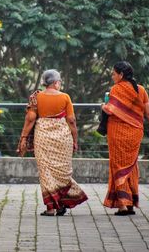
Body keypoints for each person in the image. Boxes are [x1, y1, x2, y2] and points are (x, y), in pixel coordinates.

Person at [17, 69, 88, 216]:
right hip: (63, 137)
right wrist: (75, 139)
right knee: (63, 171)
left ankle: (51, 208)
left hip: (42, 136)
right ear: (56, 83)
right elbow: (71, 121)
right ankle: (61, 203)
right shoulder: (65, 97)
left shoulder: (36, 97)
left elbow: (30, 118)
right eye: (60, 82)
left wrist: (23, 137)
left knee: (46, 172)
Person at [101, 61, 149, 216]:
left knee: (118, 166)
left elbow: (110, 110)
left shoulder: (116, 89)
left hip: (117, 132)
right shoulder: (141, 90)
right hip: (135, 132)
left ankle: (122, 205)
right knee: (131, 166)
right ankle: (130, 204)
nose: (112, 76)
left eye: (114, 73)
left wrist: (104, 106)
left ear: (121, 75)